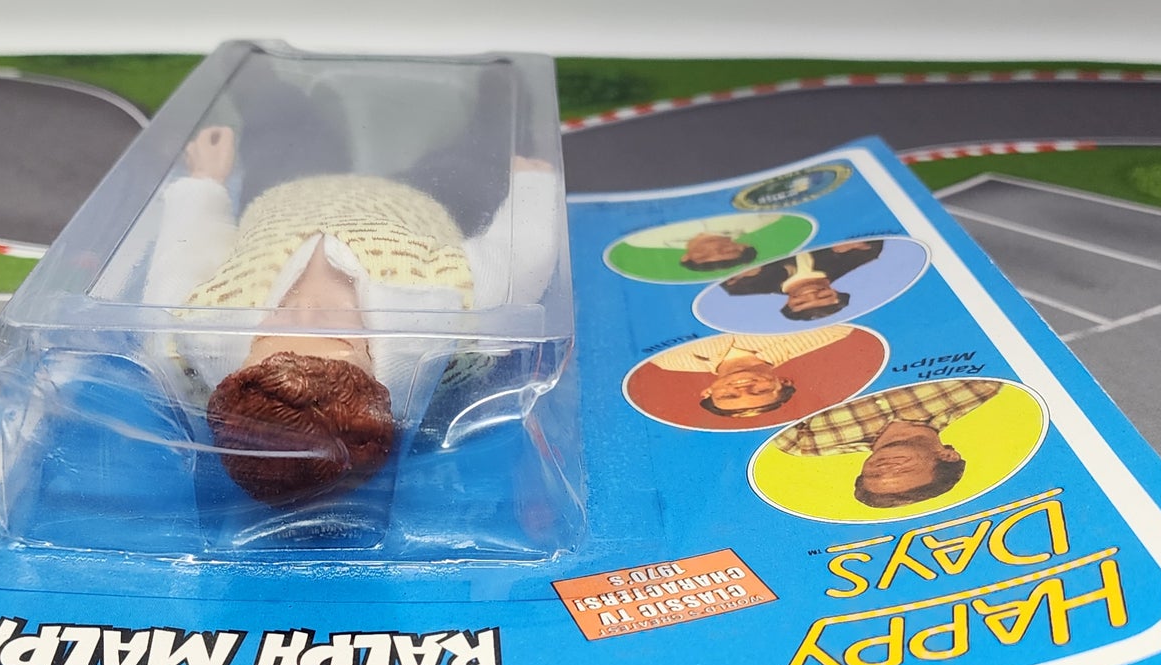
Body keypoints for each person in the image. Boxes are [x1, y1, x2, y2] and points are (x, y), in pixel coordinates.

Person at [147, 124, 560, 503]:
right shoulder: (442, 305)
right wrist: (533, 185)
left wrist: (203, 183)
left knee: (280, 129)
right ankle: (488, 105)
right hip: (417, 198)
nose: (308, 310)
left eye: (275, 328)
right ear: (372, 359)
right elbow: (522, 260)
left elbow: (183, 255)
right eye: (335, 333)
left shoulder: (200, 327)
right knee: (466, 156)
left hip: (284, 194)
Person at [771, 379, 1005, 508]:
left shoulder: (803, 443)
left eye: (873, 475)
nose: (883, 468)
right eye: (901, 470)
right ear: (947, 456)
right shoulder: (978, 387)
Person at [649, 328, 860, 419]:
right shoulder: (830, 332)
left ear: (707, 392)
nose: (743, 388)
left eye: (728, 396)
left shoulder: (667, 358)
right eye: (759, 391)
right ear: (784, 381)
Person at [720, 238, 885, 320]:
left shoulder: (740, 285)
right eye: (824, 296)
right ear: (836, 292)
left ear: (788, 304)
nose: (811, 294)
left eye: (801, 302)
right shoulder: (862, 254)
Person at [679, 229, 755, 271]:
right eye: (727, 251)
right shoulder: (746, 222)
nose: (713, 247)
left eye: (704, 255)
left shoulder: (673, 232)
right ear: (743, 245)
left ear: (685, 257)